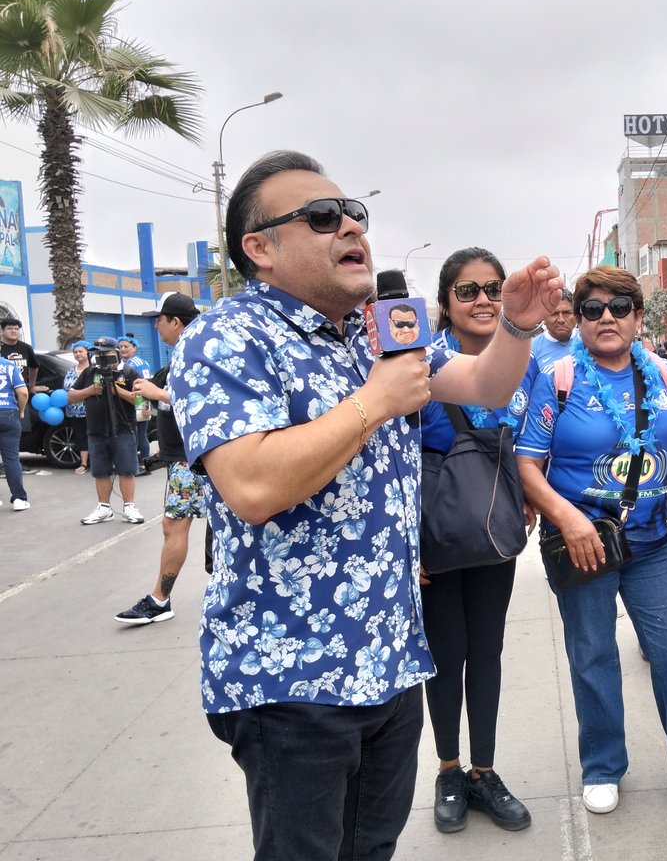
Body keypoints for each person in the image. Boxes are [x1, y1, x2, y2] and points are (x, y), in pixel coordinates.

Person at [168, 150, 562, 861]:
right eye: (321, 217)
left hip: (387, 661)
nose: (349, 224)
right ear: (260, 247)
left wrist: (517, 327)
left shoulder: (378, 331)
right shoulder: (227, 337)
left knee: (371, 848)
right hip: (292, 681)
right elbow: (251, 486)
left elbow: (485, 386)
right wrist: (372, 403)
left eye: (355, 213)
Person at [515, 265, 667, 817]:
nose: (606, 318)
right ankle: (603, 766)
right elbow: (526, 464)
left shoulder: (663, 375)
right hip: (583, 545)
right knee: (592, 655)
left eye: (619, 307)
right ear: (580, 319)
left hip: (654, 541)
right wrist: (567, 519)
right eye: (592, 309)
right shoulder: (559, 376)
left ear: (639, 317)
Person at [420, 247, 533, 834]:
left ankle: (484, 773)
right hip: (436, 534)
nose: (484, 300)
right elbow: (395, 460)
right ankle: (449, 770)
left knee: (486, 650)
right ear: (446, 302)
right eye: (468, 291)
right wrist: (406, 547)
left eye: (493, 288)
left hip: (493, 533)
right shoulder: (420, 366)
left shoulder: (524, 361)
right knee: (446, 654)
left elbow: (533, 442)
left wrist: (527, 496)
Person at [114, 294, 205, 625]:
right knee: (183, 525)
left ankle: (160, 600)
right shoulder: (182, 354)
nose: (156, 326)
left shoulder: (194, 352)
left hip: (190, 457)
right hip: (185, 457)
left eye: (160, 319)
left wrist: (160, 394)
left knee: (174, 525)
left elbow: (205, 397)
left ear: (176, 322)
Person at [68, 336, 145, 525]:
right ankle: (103, 508)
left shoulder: (128, 372)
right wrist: (90, 391)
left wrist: (116, 391)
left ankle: (129, 507)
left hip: (124, 429)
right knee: (101, 471)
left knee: (126, 469)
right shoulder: (88, 373)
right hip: (96, 430)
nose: (102, 357)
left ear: (116, 352)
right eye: (99, 353)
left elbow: (141, 400)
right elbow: (71, 396)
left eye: (107, 353)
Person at [1, 317, 38, 453]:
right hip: (4, 394)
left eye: (16, 328)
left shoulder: (26, 348)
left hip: (21, 392)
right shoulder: (1, 348)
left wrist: (32, 385)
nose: (13, 331)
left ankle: (14, 460)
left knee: (20, 429)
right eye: (10, 328)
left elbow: (34, 366)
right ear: (2, 330)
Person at [118, 335, 154, 476]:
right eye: (121, 347)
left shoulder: (139, 363)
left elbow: (145, 384)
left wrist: (145, 406)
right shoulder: (120, 363)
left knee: (141, 434)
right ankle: (134, 464)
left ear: (134, 348)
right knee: (131, 434)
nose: (123, 349)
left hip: (140, 401)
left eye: (126, 346)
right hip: (126, 403)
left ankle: (145, 465)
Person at [0, 354, 29, 510]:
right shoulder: (9, 366)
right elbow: (23, 393)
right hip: (8, 412)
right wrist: (22, 411)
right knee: (11, 459)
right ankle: (19, 499)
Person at [62, 341, 91, 474]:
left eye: (81, 351)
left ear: (88, 352)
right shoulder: (71, 370)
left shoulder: (94, 369)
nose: (78, 354)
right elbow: (67, 388)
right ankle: (83, 463)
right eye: (75, 352)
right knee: (81, 436)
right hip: (75, 411)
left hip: (93, 409)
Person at [531, 288, 575, 370]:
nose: (561, 320)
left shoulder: (589, 340)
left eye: (566, 313)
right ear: (543, 318)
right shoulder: (532, 349)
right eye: (554, 314)